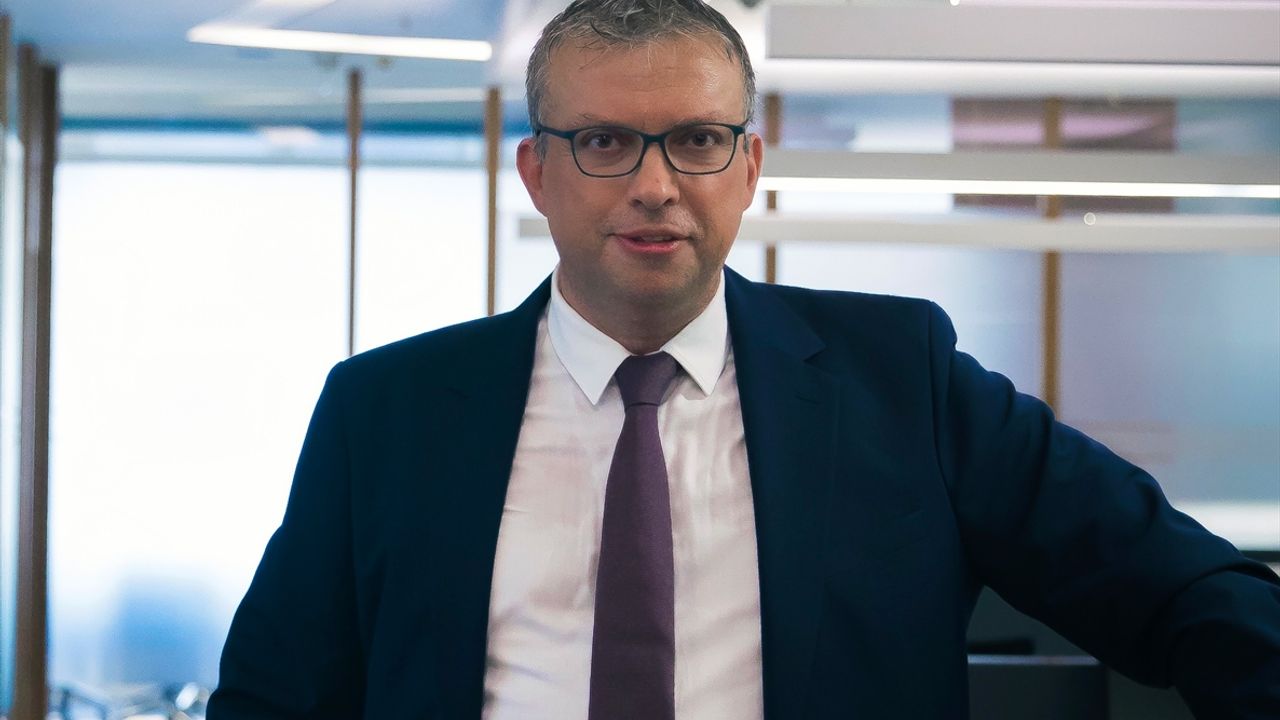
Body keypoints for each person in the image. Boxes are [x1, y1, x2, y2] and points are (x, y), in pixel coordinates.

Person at [207, 1, 1280, 718]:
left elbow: (1185, 591)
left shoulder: (899, 377)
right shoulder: (387, 410)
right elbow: (273, 699)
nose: (654, 185)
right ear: (536, 173)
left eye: (696, 139)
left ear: (749, 164)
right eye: (604, 142)